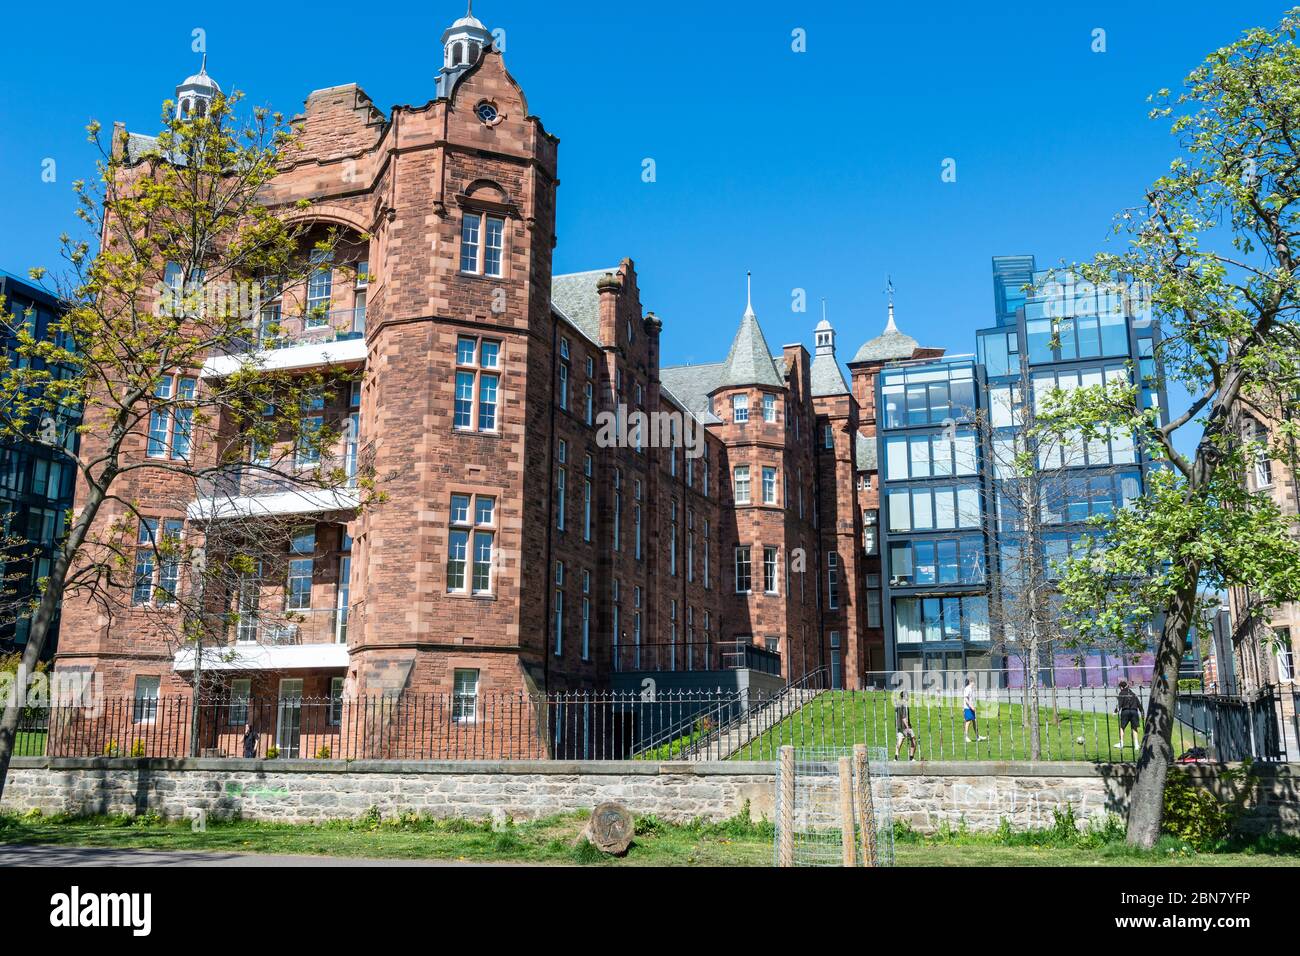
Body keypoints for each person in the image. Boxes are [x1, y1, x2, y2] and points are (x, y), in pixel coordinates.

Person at [1114, 680, 1143, 750]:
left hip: (1125, 711)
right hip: (1134, 711)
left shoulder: (1122, 693)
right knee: (1134, 728)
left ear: (1121, 687)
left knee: (1122, 727)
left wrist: (1115, 711)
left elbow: (1119, 704)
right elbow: (1139, 704)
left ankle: (1121, 743)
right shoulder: (1133, 693)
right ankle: (1136, 745)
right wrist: (1142, 712)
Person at [894, 689, 918, 760]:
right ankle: (911, 758)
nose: (908, 697)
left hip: (899, 726)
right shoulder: (904, 705)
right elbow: (904, 717)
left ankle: (896, 757)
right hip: (905, 726)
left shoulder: (898, 704)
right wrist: (908, 727)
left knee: (900, 740)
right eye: (907, 696)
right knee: (913, 740)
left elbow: (897, 715)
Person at [963, 677, 988, 743]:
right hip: (967, 708)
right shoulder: (967, 689)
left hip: (972, 707)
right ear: (971, 682)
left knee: (974, 721)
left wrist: (974, 706)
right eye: (974, 682)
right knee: (968, 721)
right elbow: (966, 699)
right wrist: (971, 706)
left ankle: (977, 736)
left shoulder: (972, 689)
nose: (974, 684)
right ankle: (966, 737)